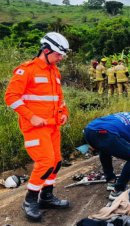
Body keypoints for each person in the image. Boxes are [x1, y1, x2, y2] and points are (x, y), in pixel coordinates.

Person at [4, 32, 70, 221]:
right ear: (46, 50)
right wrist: (31, 117)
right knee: (45, 162)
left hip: (53, 126)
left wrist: (64, 113)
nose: (60, 58)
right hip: (35, 127)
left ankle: (46, 197)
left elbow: (58, 98)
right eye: (58, 54)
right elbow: (11, 97)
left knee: (56, 161)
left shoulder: (54, 71)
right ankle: (30, 200)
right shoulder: (27, 70)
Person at [83, 112, 130, 200]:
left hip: (89, 130)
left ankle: (111, 180)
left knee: (105, 148)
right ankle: (117, 190)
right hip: (105, 133)